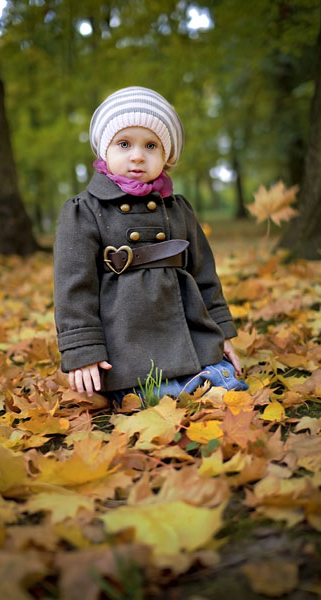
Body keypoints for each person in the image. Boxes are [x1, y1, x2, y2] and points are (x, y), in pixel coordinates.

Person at [53, 86, 248, 405]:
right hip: (125, 343)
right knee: (156, 394)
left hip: (187, 330)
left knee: (220, 381)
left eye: (151, 145)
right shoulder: (84, 210)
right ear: (105, 150)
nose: (138, 155)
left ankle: (205, 378)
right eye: (124, 143)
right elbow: (73, 289)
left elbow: (204, 276)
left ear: (166, 157)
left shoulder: (178, 208)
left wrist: (221, 333)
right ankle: (156, 392)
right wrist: (82, 350)